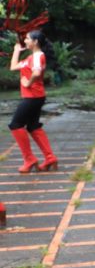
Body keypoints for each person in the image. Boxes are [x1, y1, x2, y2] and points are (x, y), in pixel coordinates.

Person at [8, 30, 58, 173]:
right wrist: (16, 51)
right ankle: (50, 158)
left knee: (15, 125)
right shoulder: (31, 57)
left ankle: (29, 159)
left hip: (33, 97)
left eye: (28, 39)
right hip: (35, 97)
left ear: (36, 42)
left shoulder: (37, 56)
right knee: (33, 126)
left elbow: (36, 73)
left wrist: (28, 84)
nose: (25, 41)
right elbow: (13, 67)